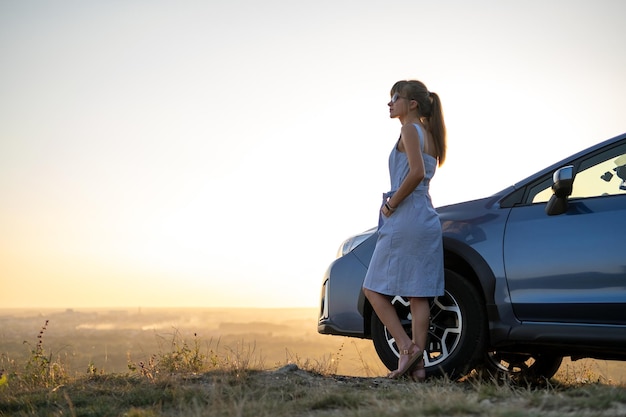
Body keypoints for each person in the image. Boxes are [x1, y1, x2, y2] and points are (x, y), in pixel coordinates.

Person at [362, 80, 446, 381]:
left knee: (371, 288)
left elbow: (416, 172)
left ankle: (406, 347)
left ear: (412, 104)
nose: (390, 102)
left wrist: (391, 205)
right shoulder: (432, 136)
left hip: (406, 217)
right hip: (426, 217)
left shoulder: (410, 130)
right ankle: (418, 368)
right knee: (418, 293)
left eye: (396, 97)